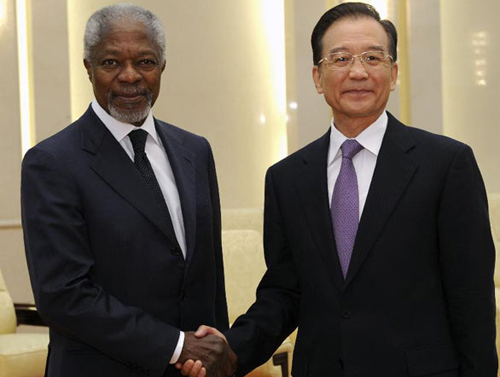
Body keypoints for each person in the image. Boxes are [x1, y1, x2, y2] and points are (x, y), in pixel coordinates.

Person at [180, 2, 497, 377]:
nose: (358, 71)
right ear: (317, 77)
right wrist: (230, 351)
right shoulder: (286, 178)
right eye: (341, 58)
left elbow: (471, 300)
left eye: (373, 58)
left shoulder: (446, 165)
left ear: (393, 73)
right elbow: (285, 291)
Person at [21, 4, 236, 377]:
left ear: (163, 66)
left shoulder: (195, 151)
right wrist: (177, 345)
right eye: (110, 63)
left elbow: (209, 277)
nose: (130, 76)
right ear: (88, 67)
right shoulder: (51, 162)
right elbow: (64, 295)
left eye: (146, 62)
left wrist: (216, 352)